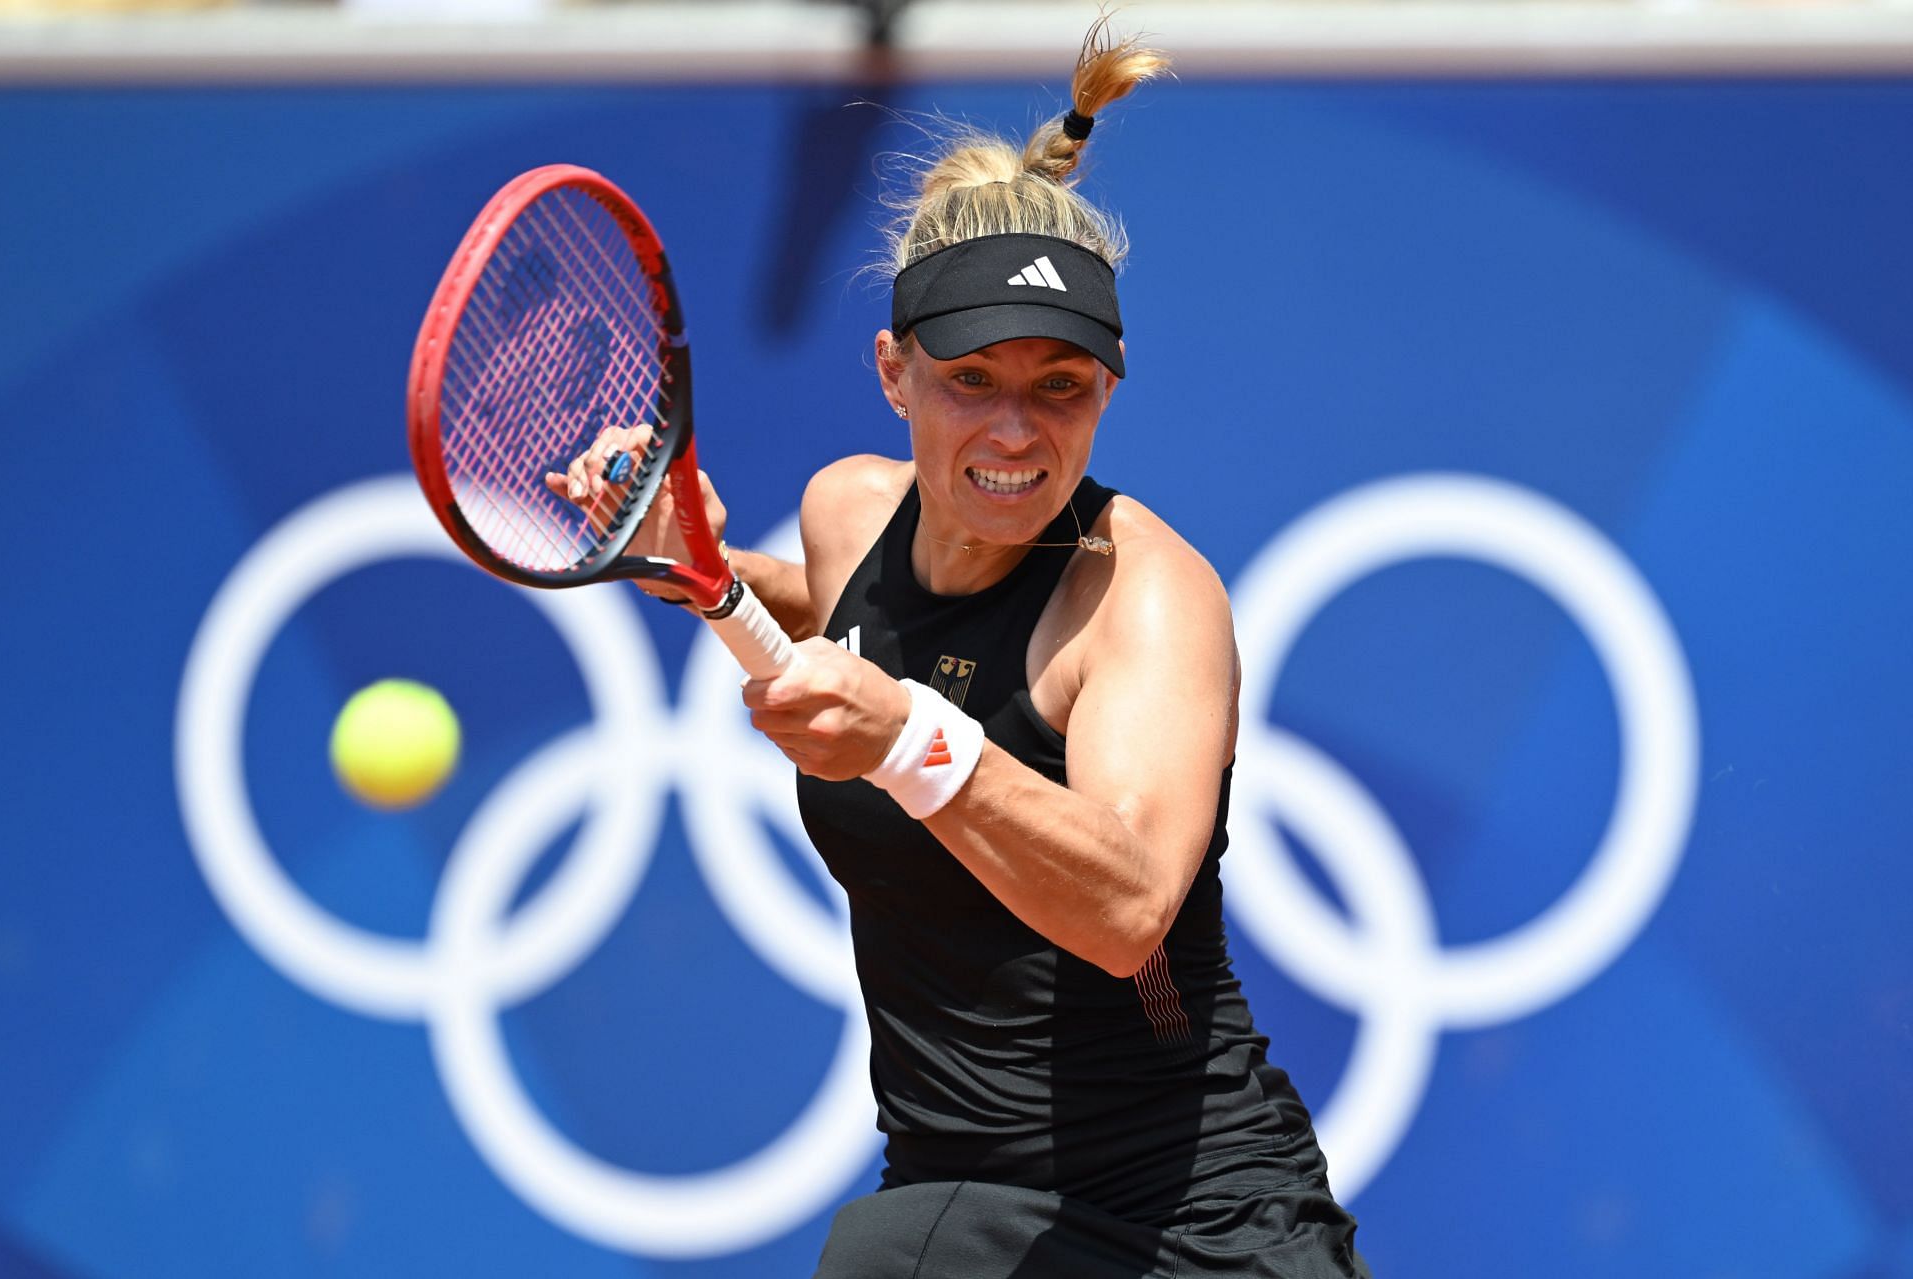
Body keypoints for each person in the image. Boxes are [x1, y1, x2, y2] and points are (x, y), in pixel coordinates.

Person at [551, 19, 1370, 1278]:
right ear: (894, 373)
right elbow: (865, 633)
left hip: (1187, 1229)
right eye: (971, 377)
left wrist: (913, 740)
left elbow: (1131, 908)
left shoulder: (1146, 596)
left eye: (1060, 387)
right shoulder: (847, 519)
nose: (1015, 429)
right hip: (962, 1191)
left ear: (1110, 386)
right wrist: (692, 559)